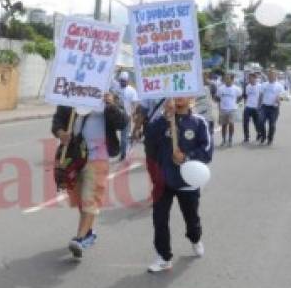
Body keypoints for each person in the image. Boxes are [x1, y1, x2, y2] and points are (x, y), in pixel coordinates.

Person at [51, 93, 128, 259]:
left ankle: (79, 239)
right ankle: (88, 232)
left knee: (90, 198)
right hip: (75, 157)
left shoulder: (110, 96)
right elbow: (57, 121)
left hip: (98, 157)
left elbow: (123, 123)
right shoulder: (71, 95)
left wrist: (111, 105)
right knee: (80, 199)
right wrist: (60, 133)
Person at [144, 97, 212, 273]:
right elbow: (149, 144)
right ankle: (164, 257)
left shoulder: (198, 122)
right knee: (159, 219)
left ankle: (195, 238)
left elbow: (207, 152)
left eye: (183, 94)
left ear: (191, 98)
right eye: (174, 95)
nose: (178, 98)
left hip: (188, 181)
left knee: (191, 218)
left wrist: (186, 157)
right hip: (163, 180)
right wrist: (164, 120)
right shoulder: (161, 120)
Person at [114, 72, 140, 160]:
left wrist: (133, 114)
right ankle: (116, 149)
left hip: (126, 116)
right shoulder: (116, 88)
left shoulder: (132, 90)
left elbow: (135, 103)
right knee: (113, 135)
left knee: (124, 137)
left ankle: (123, 153)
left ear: (128, 81)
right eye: (121, 81)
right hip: (115, 116)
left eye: (124, 81)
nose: (123, 83)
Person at [258, 70, 286, 146]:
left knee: (272, 125)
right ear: (267, 76)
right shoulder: (264, 85)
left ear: (276, 76)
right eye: (269, 75)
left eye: (273, 75)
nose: (271, 76)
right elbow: (260, 95)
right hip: (264, 107)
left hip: (274, 108)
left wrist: (279, 99)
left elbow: (285, 96)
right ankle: (263, 136)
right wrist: (258, 106)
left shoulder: (279, 86)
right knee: (260, 121)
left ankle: (270, 138)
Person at [214, 73, 242, 147]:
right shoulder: (220, 88)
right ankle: (223, 140)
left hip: (232, 109)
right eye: (225, 78)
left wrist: (236, 103)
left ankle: (230, 139)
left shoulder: (236, 89)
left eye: (228, 78)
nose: (226, 80)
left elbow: (240, 97)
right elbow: (217, 97)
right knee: (224, 125)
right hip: (223, 109)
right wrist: (218, 104)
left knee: (231, 123)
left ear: (232, 80)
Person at [242, 72, 262, 143]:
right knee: (245, 122)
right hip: (248, 106)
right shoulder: (247, 86)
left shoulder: (260, 86)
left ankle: (259, 133)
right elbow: (246, 96)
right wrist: (245, 104)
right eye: (248, 78)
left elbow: (261, 96)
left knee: (256, 122)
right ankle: (246, 137)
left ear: (255, 78)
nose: (249, 79)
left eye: (250, 78)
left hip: (256, 107)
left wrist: (259, 106)